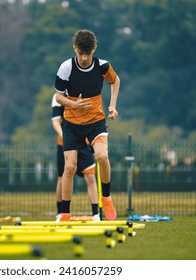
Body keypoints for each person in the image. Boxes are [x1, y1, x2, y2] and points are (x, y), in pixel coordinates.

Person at [54, 29, 120, 221]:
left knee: (102, 156)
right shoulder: (66, 68)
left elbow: (115, 81)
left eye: (88, 54)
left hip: (95, 121)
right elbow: (58, 96)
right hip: (72, 124)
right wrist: (73, 104)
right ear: (74, 49)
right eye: (80, 53)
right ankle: (65, 212)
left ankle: (106, 198)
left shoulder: (102, 66)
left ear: (94, 49)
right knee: (70, 167)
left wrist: (113, 105)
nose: (84, 58)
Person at [51, 93, 100, 222]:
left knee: (90, 177)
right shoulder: (58, 97)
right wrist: (65, 136)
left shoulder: (86, 91)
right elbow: (55, 121)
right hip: (65, 141)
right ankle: (61, 212)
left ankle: (96, 215)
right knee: (63, 177)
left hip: (85, 141)